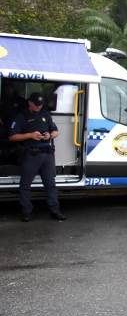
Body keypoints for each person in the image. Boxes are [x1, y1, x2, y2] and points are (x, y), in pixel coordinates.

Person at [9, 92, 66, 222]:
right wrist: (30, 135)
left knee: (50, 184)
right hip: (31, 154)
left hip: (47, 154)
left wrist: (49, 135)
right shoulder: (21, 116)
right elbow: (12, 137)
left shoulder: (45, 114)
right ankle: (26, 212)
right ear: (30, 103)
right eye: (36, 105)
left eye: (41, 104)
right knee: (25, 185)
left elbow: (56, 131)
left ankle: (55, 210)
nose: (39, 107)